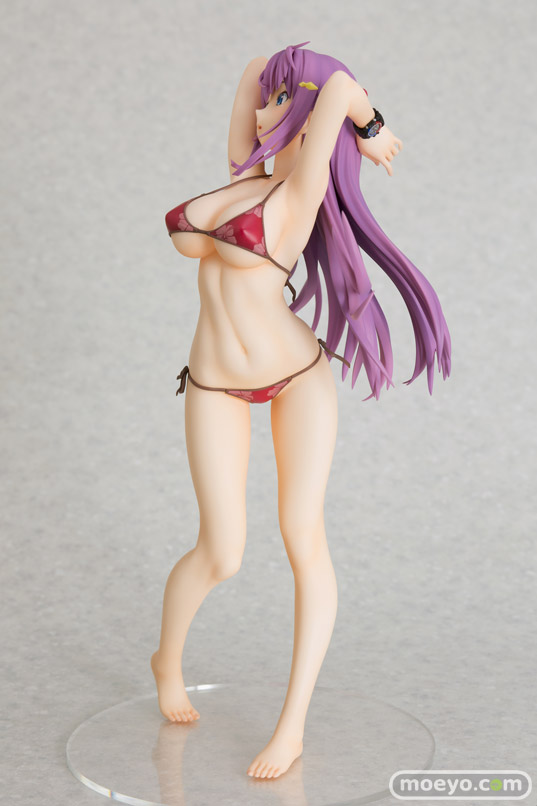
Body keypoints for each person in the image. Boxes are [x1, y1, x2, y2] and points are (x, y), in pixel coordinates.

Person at [151, 41, 451, 780]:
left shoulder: (300, 192)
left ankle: (291, 728)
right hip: (214, 383)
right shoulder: (246, 174)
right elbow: (254, 69)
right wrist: (282, 78)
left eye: (283, 101)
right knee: (220, 551)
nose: (264, 109)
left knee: (302, 539)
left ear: (313, 117)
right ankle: (165, 660)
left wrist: (369, 124)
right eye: (270, 99)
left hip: (296, 379)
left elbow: (341, 84)